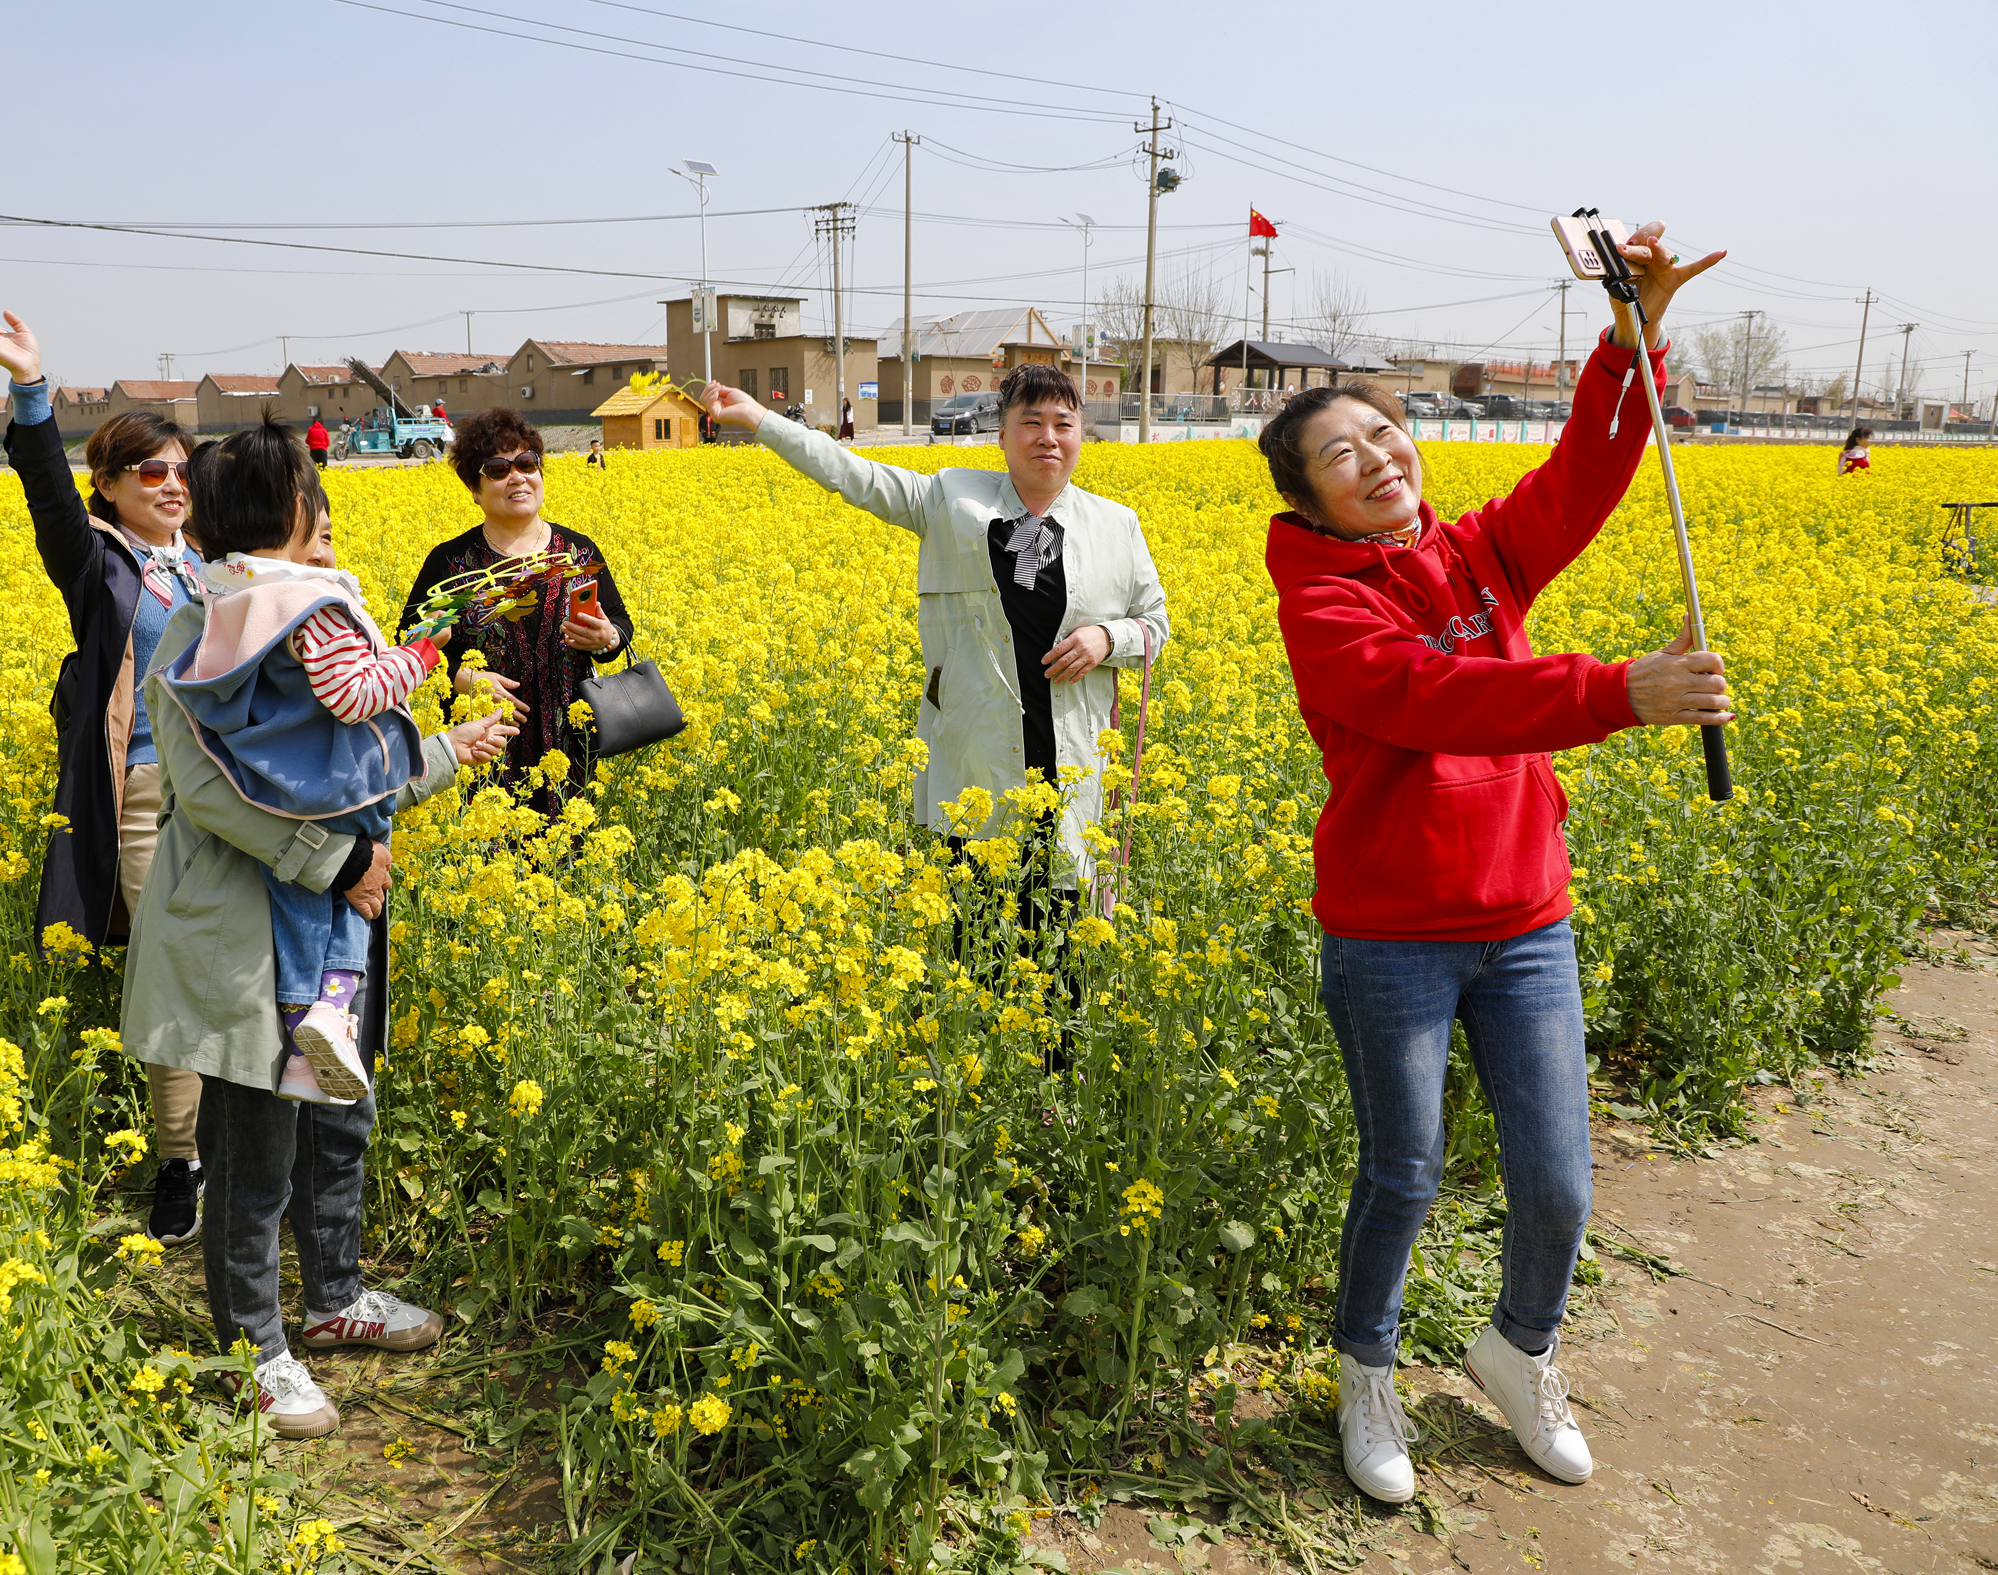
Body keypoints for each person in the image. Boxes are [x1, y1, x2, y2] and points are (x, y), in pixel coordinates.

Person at [1254, 220, 1728, 1505]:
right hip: (1390, 931)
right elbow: (1440, 699)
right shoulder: (1323, 603)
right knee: (1402, 1173)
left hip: (1527, 918)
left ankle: (1519, 1353)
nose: (1376, 459)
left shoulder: (1473, 554)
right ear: (1309, 500)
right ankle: (1365, 1372)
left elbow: (1581, 479)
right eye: (1340, 455)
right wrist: (1617, 691)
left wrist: (1626, 339)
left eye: (1383, 434)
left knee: (1561, 1178)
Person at [125, 446, 514, 1439]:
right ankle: (252, 1350)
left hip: (332, 934)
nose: (331, 532)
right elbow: (211, 794)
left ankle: (334, 1294)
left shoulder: (291, 618)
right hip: (254, 937)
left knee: (336, 1115)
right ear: (265, 517)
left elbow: (336, 768)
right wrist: (335, 864)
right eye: (319, 516)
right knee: (253, 1149)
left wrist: (442, 753)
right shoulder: (197, 632)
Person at [706, 363, 1169, 929]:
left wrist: (1107, 637)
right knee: (975, 949)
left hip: (1070, 759)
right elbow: (853, 474)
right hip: (978, 758)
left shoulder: (1115, 525)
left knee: (1061, 956)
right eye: (1032, 422)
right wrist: (760, 420)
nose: (1048, 438)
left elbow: (1154, 623)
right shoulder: (950, 499)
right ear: (1001, 435)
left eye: (1063, 424)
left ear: (1080, 436)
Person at [0, 295, 210, 1249]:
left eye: (182, 471)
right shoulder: (96, 561)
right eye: (152, 471)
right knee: (170, 969)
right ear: (109, 484)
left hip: (237, 795)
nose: (172, 485)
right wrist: (30, 384)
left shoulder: (213, 562)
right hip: (148, 791)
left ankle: (258, 1135)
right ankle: (179, 1158)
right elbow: (45, 493)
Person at [158, 422, 449, 1107]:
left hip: (271, 787)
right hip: (329, 794)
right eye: (311, 504)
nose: (323, 521)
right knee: (354, 893)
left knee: (299, 911)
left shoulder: (225, 594)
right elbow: (351, 696)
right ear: (287, 513)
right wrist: (418, 659)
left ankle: (303, 1045)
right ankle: (332, 1010)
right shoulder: (306, 603)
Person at [397, 408, 634, 821]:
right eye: (498, 469)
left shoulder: (577, 552)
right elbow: (410, 642)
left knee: (568, 863)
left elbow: (619, 625)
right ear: (474, 488)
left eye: (527, 464)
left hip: (570, 747)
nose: (518, 477)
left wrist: (607, 638)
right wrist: (462, 677)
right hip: (484, 746)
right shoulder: (452, 564)